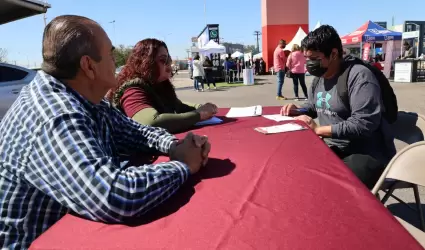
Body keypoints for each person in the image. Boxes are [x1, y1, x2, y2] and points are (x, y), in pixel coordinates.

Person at [0, 15, 211, 249]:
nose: (116, 62)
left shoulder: (84, 97)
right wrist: (182, 166)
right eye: (111, 54)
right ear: (89, 66)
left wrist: (173, 145)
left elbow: (134, 131)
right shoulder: (55, 116)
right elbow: (114, 195)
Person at [280, 25, 396, 189]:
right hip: (332, 148)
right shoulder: (319, 78)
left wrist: (319, 130)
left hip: (365, 153)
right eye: (307, 58)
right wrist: (298, 110)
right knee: (295, 168)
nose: (309, 64)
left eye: (314, 59)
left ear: (334, 54)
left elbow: (364, 123)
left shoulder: (359, 76)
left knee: (330, 186)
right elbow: (314, 106)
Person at [108, 39, 217, 133]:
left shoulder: (158, 84)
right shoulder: (132, 89)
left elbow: (177, 105)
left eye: (168, 61)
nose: (169, 66)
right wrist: (198, 115)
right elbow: (150, 122)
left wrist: (200, 107)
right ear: (145, 63)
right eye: (163, 60)